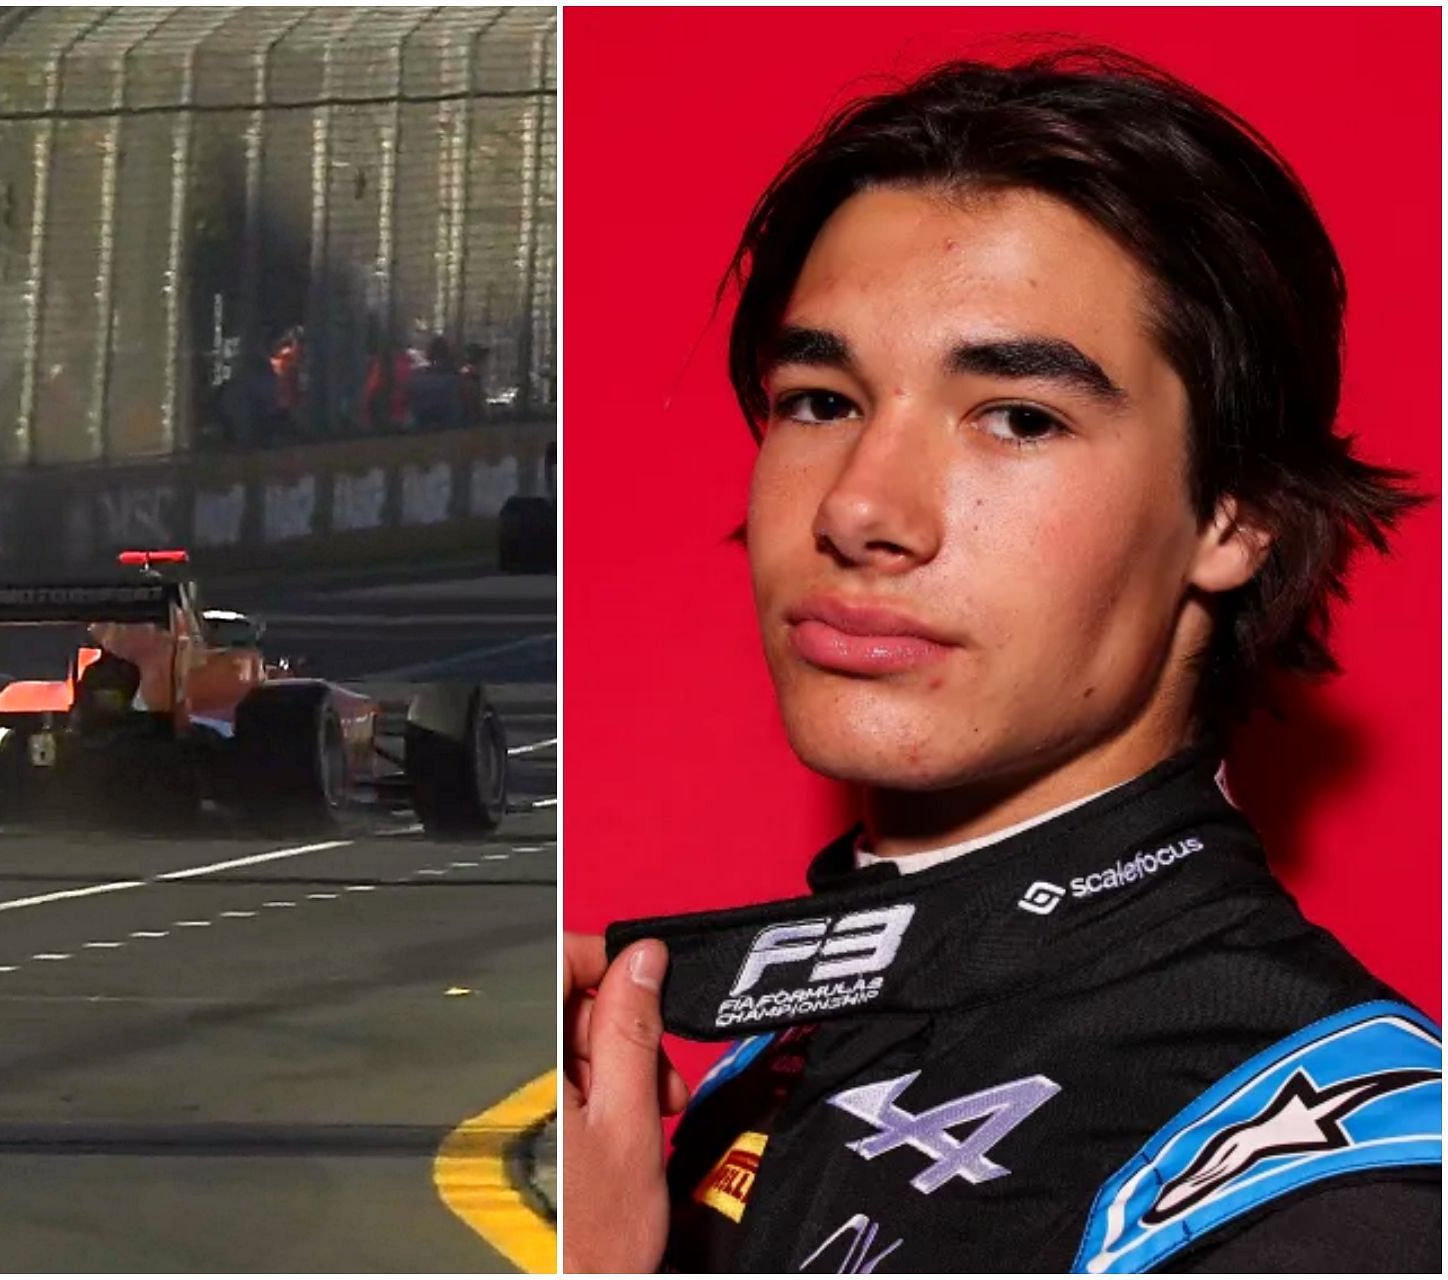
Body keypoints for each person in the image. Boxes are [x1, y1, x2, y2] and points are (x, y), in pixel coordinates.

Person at [563, 48, 1439, 1273]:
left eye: (1019, 418)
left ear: (1236, 521)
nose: (863, 507)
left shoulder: (1342, 1189)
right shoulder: (803, 1014)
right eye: (822, 399)